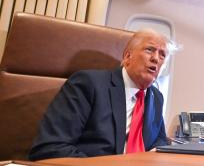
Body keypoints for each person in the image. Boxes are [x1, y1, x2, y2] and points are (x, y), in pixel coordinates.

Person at [29, 29, 170, 160]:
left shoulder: (156, 97)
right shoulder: (88, 84)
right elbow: (51, 147)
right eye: (149, 50)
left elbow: (159, 143)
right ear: (128, 56)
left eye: (162, 55)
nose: (156, 59)